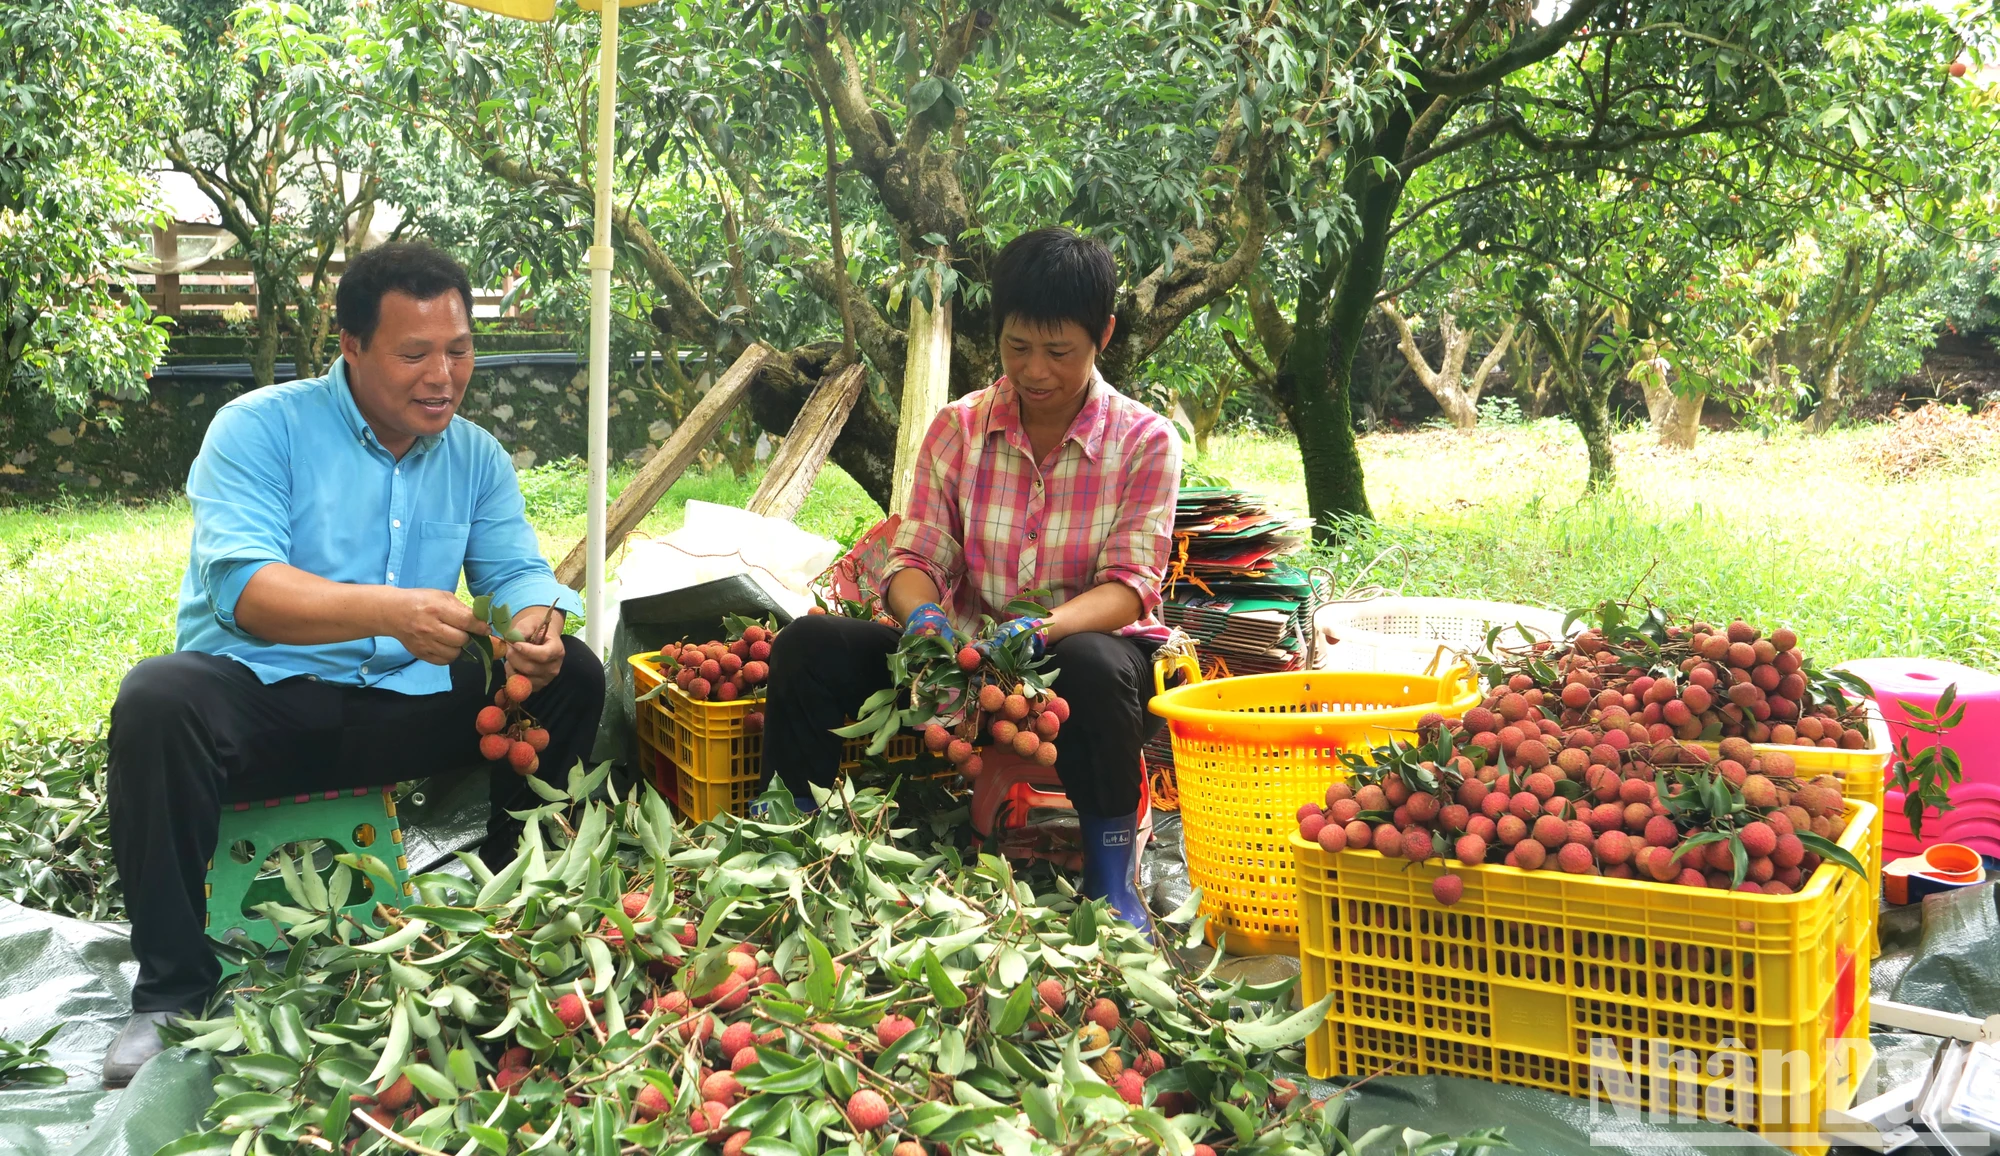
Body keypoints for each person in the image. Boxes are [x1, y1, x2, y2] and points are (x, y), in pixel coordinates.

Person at [99, 243, 604, 1087]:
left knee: (574, 675)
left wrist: (536, 623)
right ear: (351, 345)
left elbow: (516, 572)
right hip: (266, 704)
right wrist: (391, 610)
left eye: (459, 349)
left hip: (400, 708)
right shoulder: (261, 428)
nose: (442, 375)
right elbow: (245, 588)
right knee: (157, 698)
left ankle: (518, 912)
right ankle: (171, 990)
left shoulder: (474, 457)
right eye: (414, 354)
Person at [763, 226, 1179, 930]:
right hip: (963, 658)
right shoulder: (957, 430)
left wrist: (1043, 629)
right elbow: (917, 557)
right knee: (810, 645)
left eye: (1059, 352)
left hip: (1081, 652)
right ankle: (788, 833)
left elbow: (1130, 586)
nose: (1036, 371)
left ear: (1102, 335)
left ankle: (1112, 879)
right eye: (1018, 347)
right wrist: (922, 617)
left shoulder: (1144, 443)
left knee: (1093, 664)